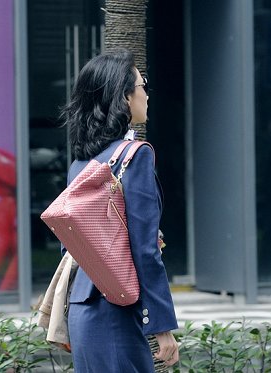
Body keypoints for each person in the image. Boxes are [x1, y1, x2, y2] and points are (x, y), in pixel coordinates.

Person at [59, 49, 179, 371]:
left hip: (84, 309)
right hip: (117, 312)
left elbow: (71, 246)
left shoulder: (80, 164)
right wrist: (162, 326)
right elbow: (144, 250)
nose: (147, 94)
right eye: (143, 85)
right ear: (125, 98)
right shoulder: (135, 156)